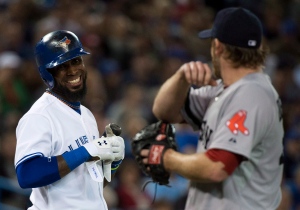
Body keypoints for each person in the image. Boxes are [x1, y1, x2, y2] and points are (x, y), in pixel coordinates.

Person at [147, 7, 284, 210]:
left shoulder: (251, 94)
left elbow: (216, 168)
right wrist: (182, 77)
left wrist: (166, 158)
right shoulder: (228, 90)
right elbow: (163, 111)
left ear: (218, 47)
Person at [14, 30, 125, 210]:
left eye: (76, 61)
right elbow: (27, 174)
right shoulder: (40, 116)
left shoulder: (87, 115)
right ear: (48, 73)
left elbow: (87, 188)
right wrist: (86, 150)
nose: (73, 70)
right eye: (62, 66)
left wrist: (110, 164)